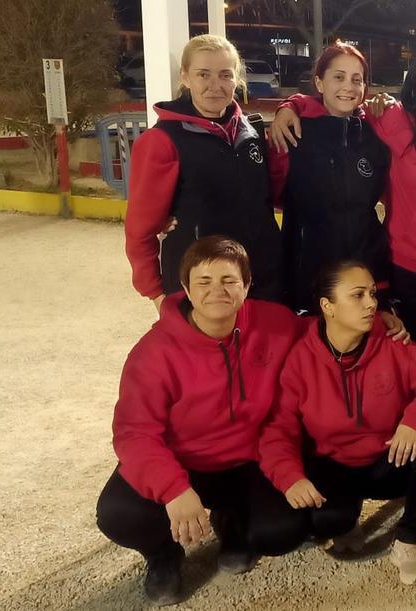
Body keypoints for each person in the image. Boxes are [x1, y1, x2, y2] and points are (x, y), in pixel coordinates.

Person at [95, 237, 303, 605]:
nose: (217, 291)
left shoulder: (277, 324)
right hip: (182, 462)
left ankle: (233, 526)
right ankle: (162, 553)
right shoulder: (154, 353)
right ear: (187, 289)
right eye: (204, 282)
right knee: (119, 514)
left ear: (247, 285)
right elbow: (134, 434)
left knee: (284, 530)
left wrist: (382, 322)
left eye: (228, 281)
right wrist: (173, 489)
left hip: (247, 460)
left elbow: (326, 332)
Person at [272, 45, 416, 351]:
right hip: (410, 275)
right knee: (414, 366)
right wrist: (291, 105)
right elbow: (333, 106)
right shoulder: (395, 122)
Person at [258, 260, 416, 585]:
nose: (371, 303)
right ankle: (346, 516)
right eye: (357, 296)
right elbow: (278, 428)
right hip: (333, 463)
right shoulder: (299, 359)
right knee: (324, 521)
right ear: (328, 306)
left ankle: (409, 537)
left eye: (372, 293)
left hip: (388, 457)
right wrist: (290, 477)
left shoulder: (394, 343)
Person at [125, 34, 283, 309]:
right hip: (202, 286)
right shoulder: (163, 140)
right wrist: (155, 293)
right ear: (185, 78)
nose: (215, 86)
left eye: (225, 75)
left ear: (237, 80)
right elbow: (140, 229)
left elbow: (274, 197)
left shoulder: (252, 132)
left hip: (263, 279)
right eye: (203, 75)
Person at [267, 41, 393, 317]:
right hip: (307, 275)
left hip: (365, 267)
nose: (348, 87)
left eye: (356, 80)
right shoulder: (294, 131)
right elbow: (270, 195)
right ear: (319, 83)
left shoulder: (375, 136)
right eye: (338, 77)